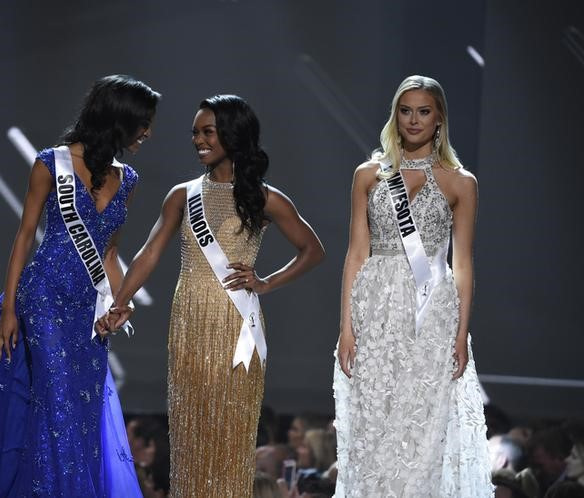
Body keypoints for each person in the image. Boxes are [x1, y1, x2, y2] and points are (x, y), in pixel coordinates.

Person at [0, 75, 161, 497]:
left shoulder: (129, 180)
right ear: (119, 120)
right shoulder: (52, 163)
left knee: (81, 413)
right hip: (42, 299)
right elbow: (25, 237)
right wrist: (10, 310)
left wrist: (122, 301)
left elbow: (110, 254)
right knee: (57, 403)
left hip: (87, 314)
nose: (148, 133)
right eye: (144, 122)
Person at [96, 94, 325, 496]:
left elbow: (312, 249)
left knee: (229, 439)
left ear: (233, 136)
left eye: (208, 132)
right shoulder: (182, 195)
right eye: (195, 133)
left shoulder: (265, 198)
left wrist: (266, 282)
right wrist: (121, 301)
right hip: (189, 322)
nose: (198, 140)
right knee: (189, 437)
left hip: (236, 326)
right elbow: (149, 253)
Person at [332, 75, 491, 497]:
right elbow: (355, 254)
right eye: (406, 111)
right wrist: (347, 327)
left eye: (423, 111)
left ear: (439, 117)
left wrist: (460, 335)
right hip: (376, 309)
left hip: (431, 314)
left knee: (422, 429)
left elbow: (463, 262)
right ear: (395, 115)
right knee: (375, 425)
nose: (414, 120)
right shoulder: (370, 174)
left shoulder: (461, 182)